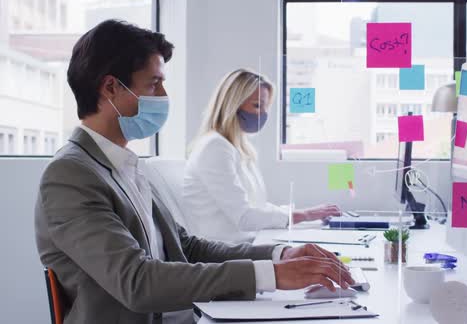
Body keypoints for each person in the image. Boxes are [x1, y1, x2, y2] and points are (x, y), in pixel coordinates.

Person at [34, 20, 353, 324]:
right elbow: (137, 282)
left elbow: (186, 248)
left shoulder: (129, 166)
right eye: (154, 83)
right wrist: (269, 276)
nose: (163, 96)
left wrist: (280, 254)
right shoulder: (71, 176)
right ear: (111, 88)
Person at [183, 69, 341, 242]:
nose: (263, 114)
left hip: (245, 242)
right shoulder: (215, 148)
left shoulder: (237, 148)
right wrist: (305, 215)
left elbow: (257, 207)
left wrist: (301, 215)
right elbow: (245, 217)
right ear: (232, 105)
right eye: (257, 105)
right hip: (225, 250)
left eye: (266, 107)